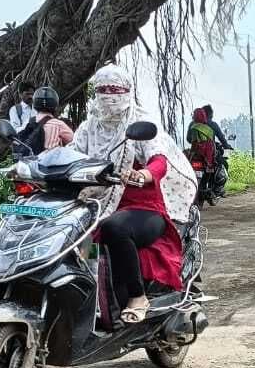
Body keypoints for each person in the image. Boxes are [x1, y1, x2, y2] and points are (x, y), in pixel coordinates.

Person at [70, 65, 197, 325]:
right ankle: (94, 300)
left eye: (115, 90)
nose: (109, 96)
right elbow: (71, 155)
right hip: (97, 202)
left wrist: (144, 175)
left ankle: (137, 297)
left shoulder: (140, 122)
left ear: (127, 91)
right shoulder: (88, 127)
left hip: (144, 208)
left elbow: (159, 160)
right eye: (103, 90)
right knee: (74, 235)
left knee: (115, 228)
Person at [19, 85, 73, 153]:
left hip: (31, 160)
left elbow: (19, 138)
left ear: (35, 103)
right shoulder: (59, 124)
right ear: (55, 104)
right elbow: (72, 141)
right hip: (52, 161)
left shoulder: (28, 122)